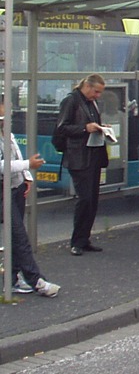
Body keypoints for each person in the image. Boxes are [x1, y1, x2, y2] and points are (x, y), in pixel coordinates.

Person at [0, 96, 60, 296]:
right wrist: (28, 166)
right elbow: (2, 166)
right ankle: (36, 281)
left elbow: (15, 154)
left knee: (15, 237)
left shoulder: (6, 132)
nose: (6, 115)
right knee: (19, 237)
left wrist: (26, 177)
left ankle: (12, 279)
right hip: (3, 192)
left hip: (15, 188)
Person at [55, 74, 109, 256]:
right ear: (87, 86)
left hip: (93, 155)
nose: (98, 96)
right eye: (96, 91)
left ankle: (84, 239)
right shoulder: (71, 101)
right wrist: (85, 128)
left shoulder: (90, 103)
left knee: (92, 200)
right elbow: (62, 128)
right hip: (78, 157)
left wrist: (101, 128)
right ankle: (76, 241)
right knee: (84, 198)